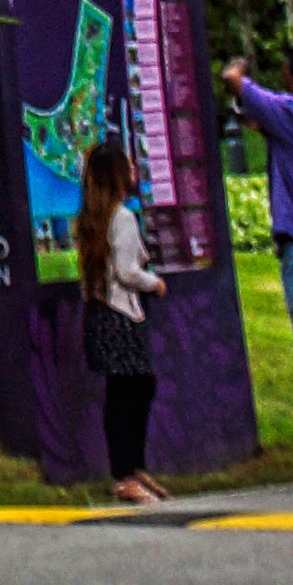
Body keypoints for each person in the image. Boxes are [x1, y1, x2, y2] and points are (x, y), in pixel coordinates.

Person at [74, 133, 166, 503]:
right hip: (122, 314)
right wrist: (154, 283)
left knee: (124, 391)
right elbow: (127, 271)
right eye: (128, 167)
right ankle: (127, 472)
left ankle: (131, 469)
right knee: (133, 391)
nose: (133, 171)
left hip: (101, 315)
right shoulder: (123, 218)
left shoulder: (93, 219)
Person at [220, 56, 293, 384]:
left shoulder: (292, 112)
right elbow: (259, 122)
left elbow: (233, 78)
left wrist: (240, 66)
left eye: (286, 72)